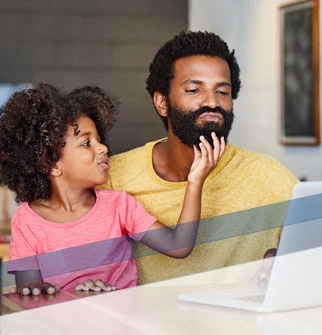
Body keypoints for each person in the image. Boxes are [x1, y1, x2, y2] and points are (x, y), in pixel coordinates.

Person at [102, 31, 299, 285]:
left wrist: (286, 267)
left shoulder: (269, 176)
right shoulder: (115, 177)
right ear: (162, 103)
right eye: (194, 90)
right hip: (143, 323)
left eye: (223, 92)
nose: (212, 102)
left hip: (238, 324)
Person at [0, 83, 222, 296]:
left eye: (99, 139)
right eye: (86, 143)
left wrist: (195, 182)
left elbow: (179, 246)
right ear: (52, 164)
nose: (103, 148)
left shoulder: (119, 205)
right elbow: (31, 295)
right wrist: (72, 294)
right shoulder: (27, 222)